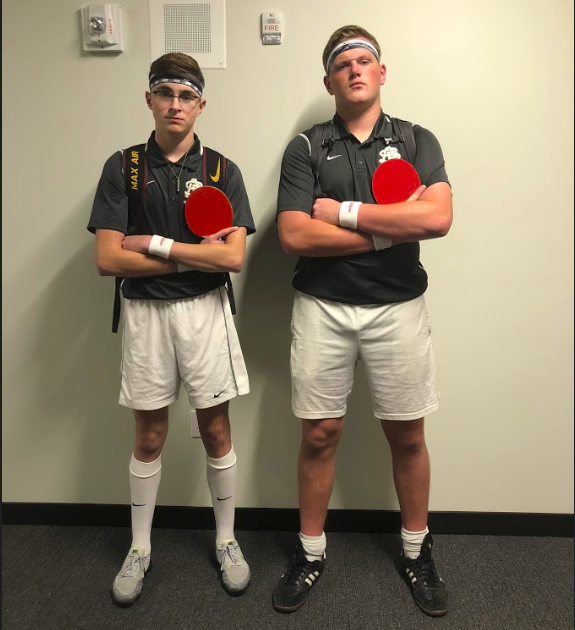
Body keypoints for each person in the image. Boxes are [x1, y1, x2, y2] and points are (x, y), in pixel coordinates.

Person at [272, 25, 452, 617]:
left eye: (364, 60)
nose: (355, 69)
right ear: (328, 80)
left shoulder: (418, 138)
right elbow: (295, 234)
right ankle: (310, 551)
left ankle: (415, 548)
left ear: (381, 72)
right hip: (322, 308)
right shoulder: (305, 147)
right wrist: (388, 227)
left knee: (407, 433)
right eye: (343, 63)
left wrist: (346, 214)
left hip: (398, 307)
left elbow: (438, 218)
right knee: (319, 435)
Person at [87, 53, 255, 606]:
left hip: (206, 312)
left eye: (186, 95)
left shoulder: (222, 170)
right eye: (165, 93)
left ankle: (226, 539)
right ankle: (140, 547)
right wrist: (192, 257)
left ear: (201, 104)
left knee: (215, 430)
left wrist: (157, 247)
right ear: (149, 100)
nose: (175, 104)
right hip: (145, 315)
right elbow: (109, 260)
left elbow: (231, 259)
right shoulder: (124, 167)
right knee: (150, 435)